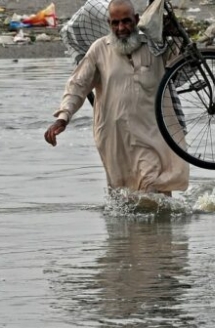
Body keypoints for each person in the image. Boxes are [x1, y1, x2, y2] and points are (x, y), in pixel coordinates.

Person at [44, 0, 189, 196]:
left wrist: (175, 32)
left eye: (127, 22)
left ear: (136, 20)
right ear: (109, 24)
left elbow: (183, 58)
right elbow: (78, 84)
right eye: (115, 23)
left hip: (151, 135)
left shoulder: (155, 47)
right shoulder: (99, 50)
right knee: (124, 197)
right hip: (114, 139)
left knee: (152, 187)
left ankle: (162, 224)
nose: (121, 28)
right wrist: (63, 117)